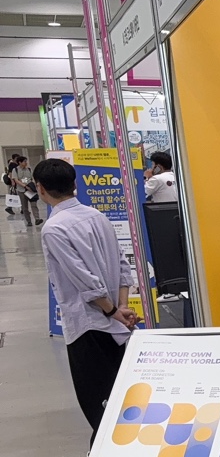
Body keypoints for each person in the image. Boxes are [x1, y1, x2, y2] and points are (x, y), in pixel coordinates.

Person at [34, 158, 138, 442]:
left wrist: (113, 311)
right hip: (113, 323)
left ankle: (106, 453)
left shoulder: (54, 228)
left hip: (88, 325)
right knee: (117, 393)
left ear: (40, 188)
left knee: (97, 401)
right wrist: (122, 307)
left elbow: (83, 280)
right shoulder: (97, 216)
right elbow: (122, 265)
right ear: (75, 183)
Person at [10, 156, 41, 227]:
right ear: (20, 162)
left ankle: (37, 219)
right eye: (24, 161)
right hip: (22, 191)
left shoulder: (29, 169)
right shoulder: (15, 170)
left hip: (31, 190)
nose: (26, 163)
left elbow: (32, 178)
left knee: (34, 204)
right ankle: (29, 221)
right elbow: (16, 180)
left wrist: (33, 185)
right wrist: (25, 186)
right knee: (25, 207)